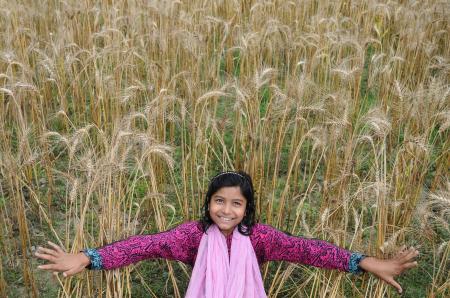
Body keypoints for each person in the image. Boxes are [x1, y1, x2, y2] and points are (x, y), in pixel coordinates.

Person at [35, 171, 419, 296]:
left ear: (247, 209)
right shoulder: (191, 236)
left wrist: (366, 262)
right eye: (219, 201)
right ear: (208, 204)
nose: (226, 210)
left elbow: (309, 251)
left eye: (236, 204)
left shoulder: (261, 237)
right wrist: (87, 258)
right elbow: (143, 246)